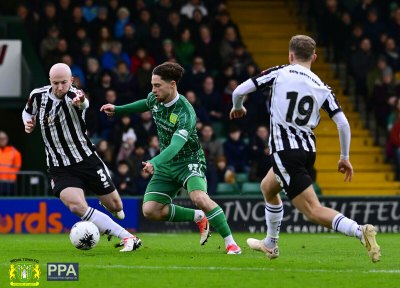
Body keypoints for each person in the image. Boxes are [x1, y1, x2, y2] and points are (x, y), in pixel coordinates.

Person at [229, 35, 381, 262]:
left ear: (291, 55)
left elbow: (239, 90)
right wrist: (344, 157)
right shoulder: (322, 86)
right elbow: (343, 123)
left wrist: (237, 107)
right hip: (307, 151)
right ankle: (270, 243)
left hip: (286, 152)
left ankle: (360, 231)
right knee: (268, 188)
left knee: (313, 211)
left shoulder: (280, 72)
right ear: (315, 57)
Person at [101, 62, 241, 254]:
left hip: (189, 161)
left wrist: (154, 161)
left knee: (199, 197)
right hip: (167, 163)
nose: (153, 90)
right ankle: (198, 217)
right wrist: (118, 109)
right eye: (152, 85)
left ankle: (231, 243)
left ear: (172, 85)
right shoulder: (155, 99)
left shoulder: (186, 113)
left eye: (157, 85)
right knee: (150, 210)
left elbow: (176, 146)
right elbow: (144, 104)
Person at [22, 63, 141, 252]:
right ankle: (128, 237)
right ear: (49, 81)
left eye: (64, 83)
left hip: (86, 159)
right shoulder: (38, 95)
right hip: (59, 165)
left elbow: (84, 103)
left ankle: (106, 202)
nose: (60, 87)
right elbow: (27, 111)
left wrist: (81, 102)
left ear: (71, 81)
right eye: (55, 83)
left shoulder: (74, 97)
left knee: (117, 207)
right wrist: (27, 122)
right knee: (77, 206)